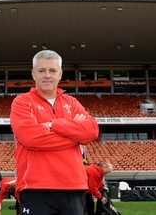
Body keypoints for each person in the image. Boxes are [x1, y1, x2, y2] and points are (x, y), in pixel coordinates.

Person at [10, 50, 99, 215]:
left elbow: (92, 131)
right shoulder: (22, 102)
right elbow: (31, 139)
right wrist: (75, 135)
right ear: (33, 74)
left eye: (52, 70)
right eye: (42, 70)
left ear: (60, 74)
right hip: (36, 188)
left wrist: (53, 125)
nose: (47, 75)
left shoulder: (71, 102)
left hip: (74, 187)